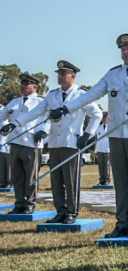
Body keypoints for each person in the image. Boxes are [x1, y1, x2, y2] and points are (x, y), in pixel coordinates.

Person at [53, 34, 128, 237]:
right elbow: (91, 95)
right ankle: (122, 223)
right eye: (123, 48)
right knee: (121, 180)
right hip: (116, 134)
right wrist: (66, 108)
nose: (126, 51)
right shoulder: (113, 74)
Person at [12, 61, 102, 224]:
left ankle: (71, 212)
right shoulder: (52, 95)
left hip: (71, 142)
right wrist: (17, 123)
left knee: (70, 180)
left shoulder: (81, 95)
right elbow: (38, 111)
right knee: (56, 180)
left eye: (63, 74)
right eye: (59, 73)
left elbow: (97, 114)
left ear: (73, 76)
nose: (59, 76)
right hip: (54, 142)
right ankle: (60, 211)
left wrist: (87, 134)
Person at [0, 74, 50, 212]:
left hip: (31, 142)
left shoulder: (41, 101)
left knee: (31, 175)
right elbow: (2, 115)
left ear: (35, 87)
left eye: (27, 84)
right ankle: (19, 202)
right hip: (14, 142)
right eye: (22, 83)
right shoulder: (14, 102)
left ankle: (29, 203)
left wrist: (43, 131)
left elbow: (49, 118)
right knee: (17, 175)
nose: (23, 86)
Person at [95, 112, 112, 185]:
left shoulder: (111, 127)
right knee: (101, 165)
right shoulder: (98, 127)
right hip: (99, 148)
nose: (104, 119)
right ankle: (101, 179)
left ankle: (107, 179)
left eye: (105, 118)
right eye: (103, 118)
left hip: (107, 149)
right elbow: (94, 136)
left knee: (107, 165)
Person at [0, 107, 9, 189]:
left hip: (7, 142)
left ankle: (9, 182)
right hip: (1, 144)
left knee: (8, 164)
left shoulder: (3, 109)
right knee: (2, 165)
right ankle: (3, 181)